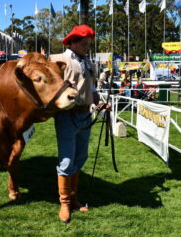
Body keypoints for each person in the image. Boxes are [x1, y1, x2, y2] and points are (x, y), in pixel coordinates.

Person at [50, 25, 107, 223]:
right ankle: (64, 203)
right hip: (66, 116)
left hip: (85, 116)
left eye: (88, 44)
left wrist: (99, 101)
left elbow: (90, 88)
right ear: (72, 42)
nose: (86, 47)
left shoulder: (88, 61)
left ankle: (73, 198)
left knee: (80, 158)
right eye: (83, 44)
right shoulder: (58, 60)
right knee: (66, 160)